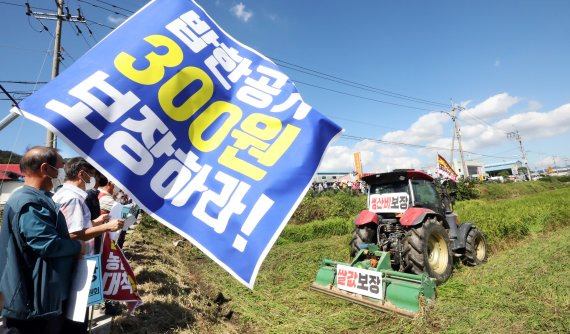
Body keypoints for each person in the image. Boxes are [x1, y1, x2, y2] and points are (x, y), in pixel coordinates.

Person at [0, 146, 84, 334]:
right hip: (33, 301)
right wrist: (77, 245)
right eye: (60, 166)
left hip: (41, 295)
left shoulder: (37, 198)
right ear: (46, 169)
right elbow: (47, 244)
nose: (63, 171)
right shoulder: (30, 202)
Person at [52, 157, 123, 332]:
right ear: (82, 174)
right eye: (91, 175)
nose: (93, 180)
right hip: (76, 263)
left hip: (70, 261)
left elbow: (73, 227)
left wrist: (95, 222)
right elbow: (73, 234)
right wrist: (107, 226)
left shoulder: (63, 194)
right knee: (76, 318)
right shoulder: (73, 198)